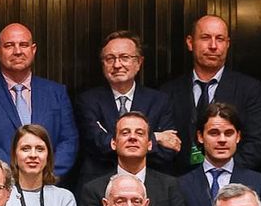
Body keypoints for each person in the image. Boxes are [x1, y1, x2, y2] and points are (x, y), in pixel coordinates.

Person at [161, 15, 261, 172]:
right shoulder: (168, 91)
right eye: (205, 38)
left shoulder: (250, 89)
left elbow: (256, 143)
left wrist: (219, 174)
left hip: (233, 180)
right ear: (190, 43)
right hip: (179, 180)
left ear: (227, 44)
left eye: (220, 39)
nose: (213, 46)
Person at [0, 23, 78, 178]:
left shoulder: (57, 92)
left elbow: (69, 141)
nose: (17, 51)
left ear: (33, 49)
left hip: (49, 182)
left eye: (24, 45)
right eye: (9, 46)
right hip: (1, 183)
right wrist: (16, 174)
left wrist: (45, 175)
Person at [74, 31, 181, 179]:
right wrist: (155, 137)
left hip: (149, 182)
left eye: (125, 57)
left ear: (139, 62)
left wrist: (112, 142)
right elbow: (97, 144)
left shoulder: (160, 101)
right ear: (103, 64)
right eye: (110, 59)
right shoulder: (87, 101)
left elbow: (168, 150)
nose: (117, 65)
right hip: (99, 182)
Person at [76, 110, 190, 206]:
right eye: (125, 133)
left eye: (139, 133)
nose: (132, 138)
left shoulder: (169, 186)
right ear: (113, 143)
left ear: (150, 144)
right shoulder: (93, 190)